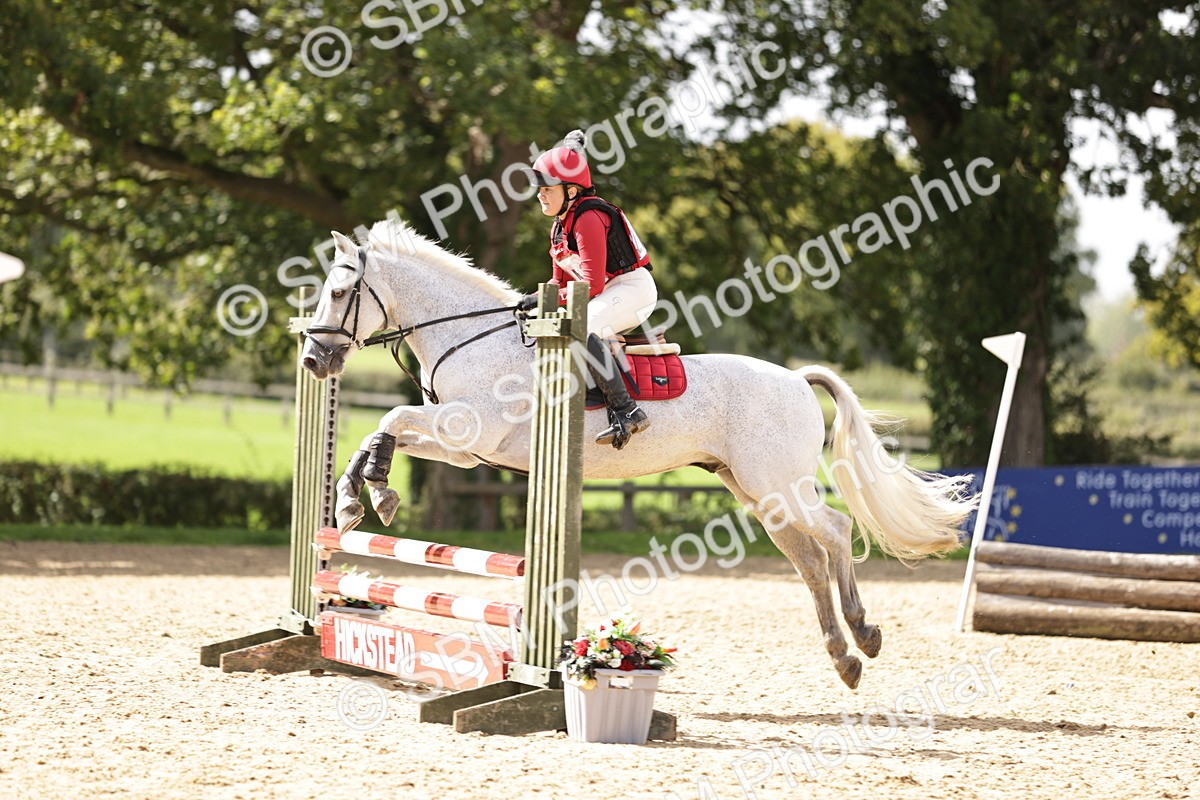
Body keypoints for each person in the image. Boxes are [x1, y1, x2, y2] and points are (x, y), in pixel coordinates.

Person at [521, 130, 658, 450]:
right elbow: (561, 283)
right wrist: (535, 298)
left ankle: (627, 411)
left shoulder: (589, 217)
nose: (540, 194)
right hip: (604, 292)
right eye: (539, 188)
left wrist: (548, 301)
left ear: (570, 190)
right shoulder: (558, 228)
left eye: (546, 188)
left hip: (632, 289)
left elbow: (592, 285)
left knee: (581, 326)